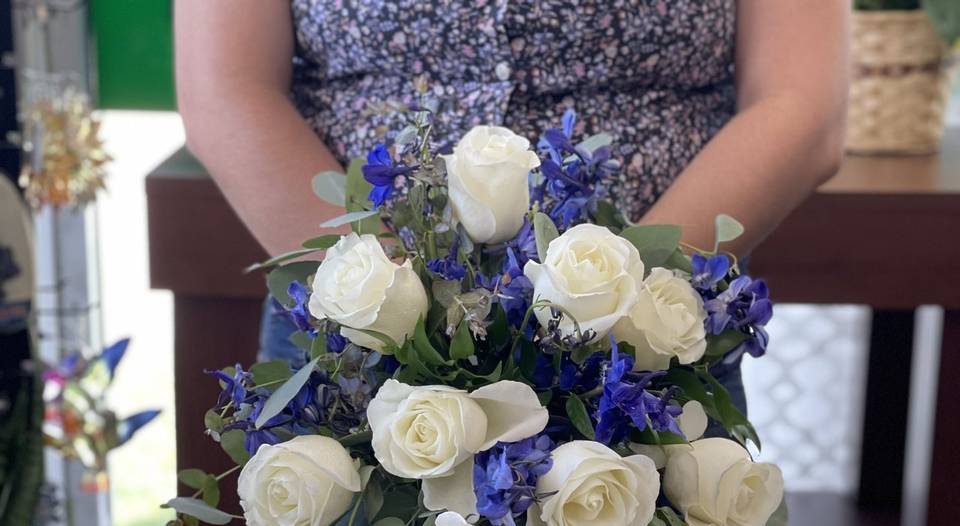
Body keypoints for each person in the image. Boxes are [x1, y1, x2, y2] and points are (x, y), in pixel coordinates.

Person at [174, 0, 849, 403]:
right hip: (358, 345)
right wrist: (401, 322)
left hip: (644, 362)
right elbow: (226, 86)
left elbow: (802, 107)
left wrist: (616, 310)